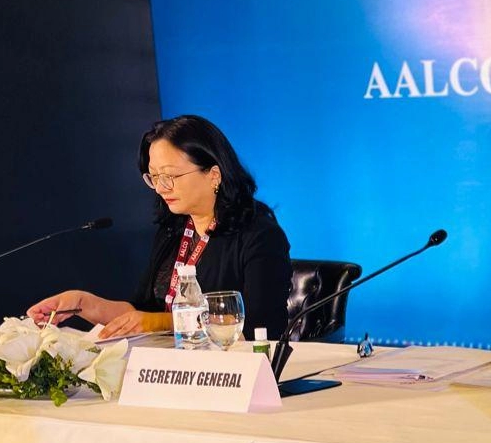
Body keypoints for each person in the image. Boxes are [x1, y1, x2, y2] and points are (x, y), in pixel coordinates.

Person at [29, 115, 293, 339]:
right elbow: (141, 313)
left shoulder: (260, 235)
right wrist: (81, 303)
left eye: (170, 176)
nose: (161, 188)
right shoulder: (174, 230)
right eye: (154, 177)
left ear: (213, 175)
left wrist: (161, 323)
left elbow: (260, 327)